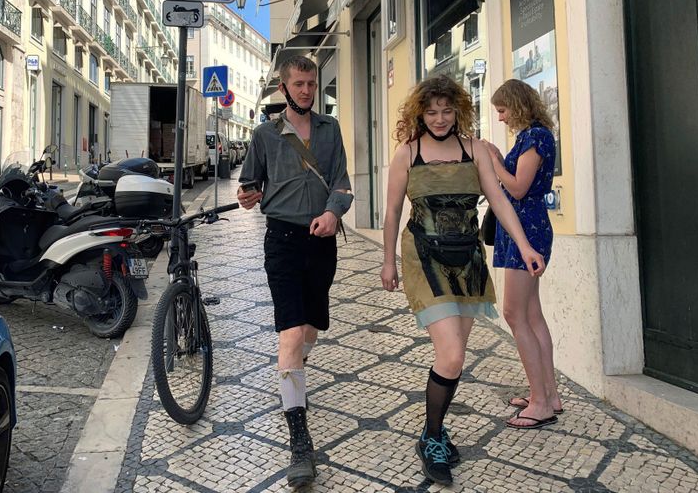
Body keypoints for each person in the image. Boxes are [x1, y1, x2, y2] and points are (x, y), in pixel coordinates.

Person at [379, 76, 546, 486]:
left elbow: (502, 200)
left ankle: (435, 429)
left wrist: (524, 247)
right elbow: (391, 211)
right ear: (420, 112)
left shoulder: (474, 150)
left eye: (447, 110)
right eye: (432, 111)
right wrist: (387, 262)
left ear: (458, 110)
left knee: (454, 357)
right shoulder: (407, 153)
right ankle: (432, 436)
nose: (439, 118)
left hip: (467, 258)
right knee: (451, 354)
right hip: (423, 256)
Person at [237, 55, 353, 489]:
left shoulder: (330, 130)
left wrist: (332, 211)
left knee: (308, 332)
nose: (306, 90)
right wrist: (248, 195)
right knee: (289, 334)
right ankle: (300, 443)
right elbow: (249, 183)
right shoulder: (264, 135)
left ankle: (292, 379)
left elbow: (342, 182)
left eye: (311, 83)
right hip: (282, 241)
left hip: (322, 242)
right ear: (284, 88)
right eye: (299, 84)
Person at [484, 79, 561, 429]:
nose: (500, 117)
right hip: (525, 226)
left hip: (526, 229)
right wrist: (501, 159)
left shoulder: (535, 137)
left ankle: (541, 402)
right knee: (532, 315)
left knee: (515, 313)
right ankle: (548, 394)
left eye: (502, 110)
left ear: (516, 105)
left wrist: (493, 161)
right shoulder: (533, 135)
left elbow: (517, 187)